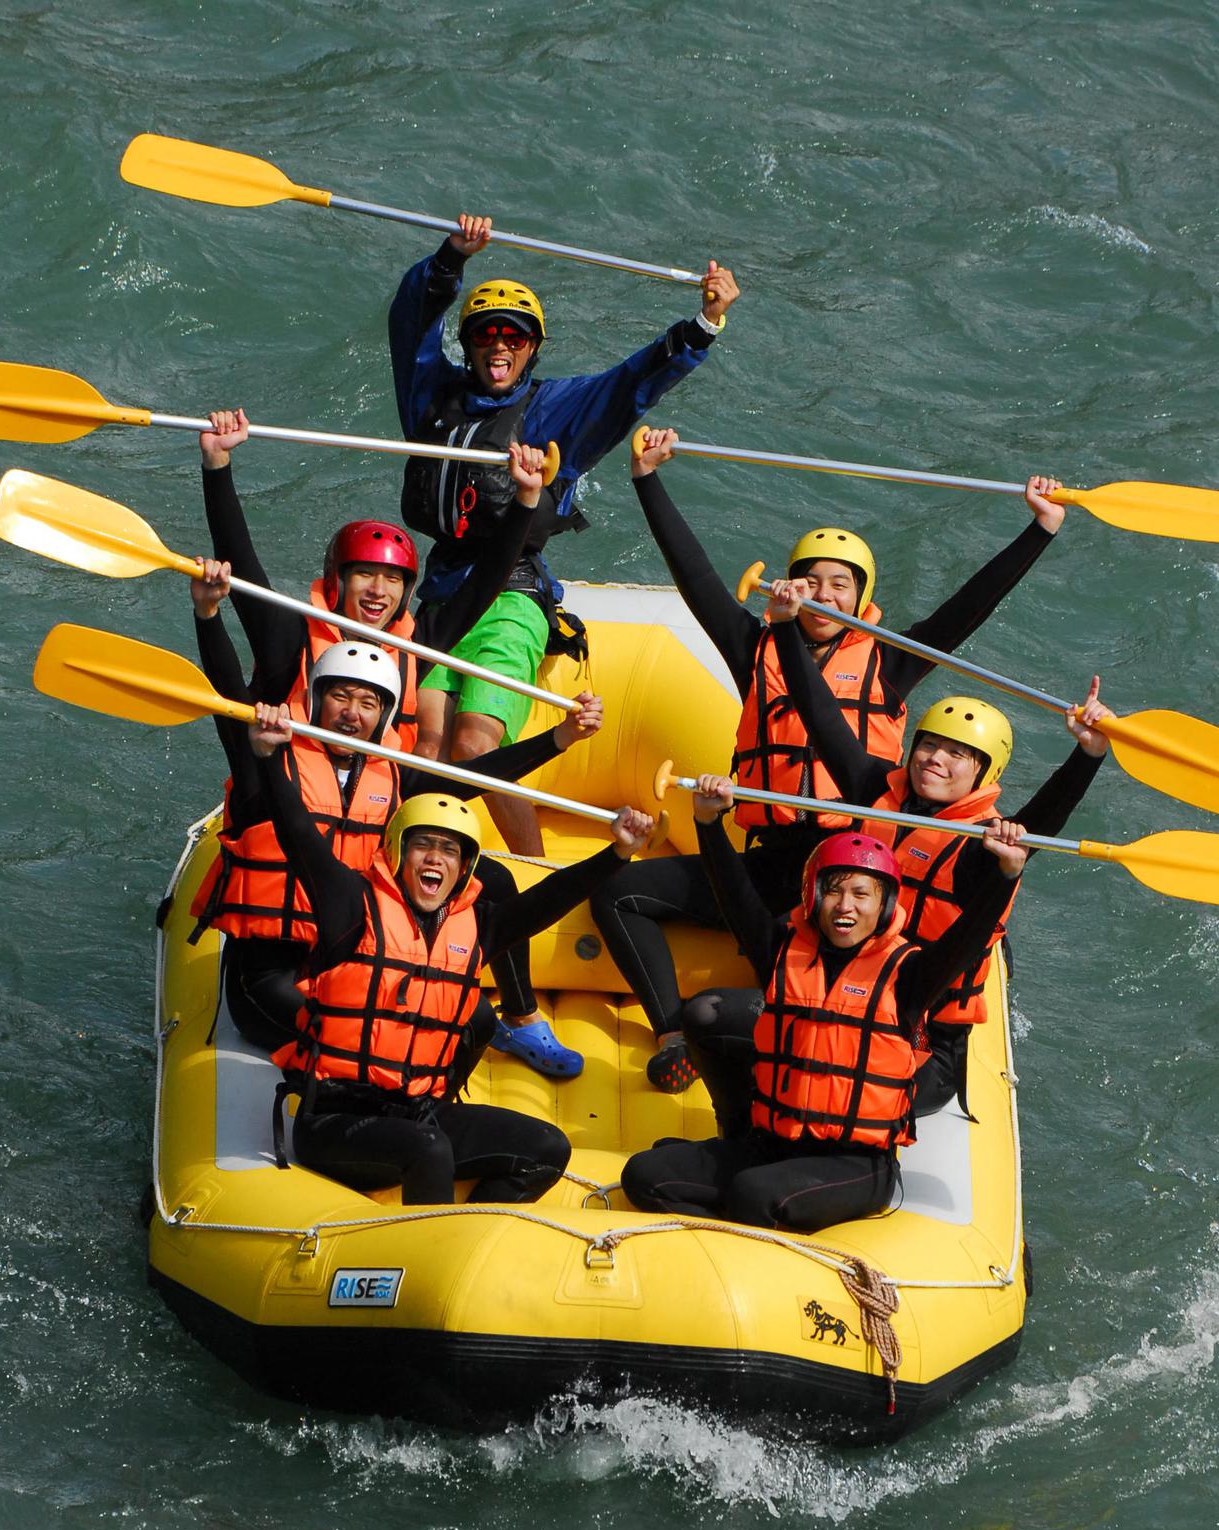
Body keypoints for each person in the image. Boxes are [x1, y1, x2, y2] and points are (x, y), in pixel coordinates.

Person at [591, 427, 1067, 1092]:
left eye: (840, 584)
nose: (823, 593)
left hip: (854, 866)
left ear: (861, 596)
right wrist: (647, 478)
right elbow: (695, 576)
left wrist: (1038, 532)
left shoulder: (891, 663)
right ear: (788, 586)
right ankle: (675, 1032)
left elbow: (969, 609)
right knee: (618, 891)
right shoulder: (753, 645)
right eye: (811, 580)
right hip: (773, 857)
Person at [197, 423, 588, 1076]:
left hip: (360, 886)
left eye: (391, 580)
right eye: (363, 577)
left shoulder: (417, 645)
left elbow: (485, 585)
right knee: (365, 1025)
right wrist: (217, 468)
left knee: (488, 879)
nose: (377, 592)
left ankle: (520, 1017)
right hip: (284, 852)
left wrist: (524, 502)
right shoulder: (287, 640)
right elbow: (242, 573)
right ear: (336, 581)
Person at [685, 569, 1115, 1127]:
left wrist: (1087, 756)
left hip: (921, 1029)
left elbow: (1045, 818)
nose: (934, 759)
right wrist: (788, 628)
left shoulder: (984, 846)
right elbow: (819, 712)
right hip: (843, 984)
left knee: (830, 1066)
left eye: (956, 755)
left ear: (985, 774)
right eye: (929, 745)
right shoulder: (872, 789)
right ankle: (741, 1119)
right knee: (715, 1016)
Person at [388, 213, 739, 860]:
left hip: (511, 594)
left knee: (472, 745)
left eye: (515, 337)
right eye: (487, 333)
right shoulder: (434, 399)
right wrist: (448, 260)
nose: (500, 345)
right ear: (469, 343)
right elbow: (409, 325)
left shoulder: (554, 411)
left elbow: (631, 383)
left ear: (532, 348)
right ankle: (412, 859)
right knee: (424, 742)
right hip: (441, 594)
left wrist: (704, 325)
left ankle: (530, 865)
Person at [251, 704, 659, 1206]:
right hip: (336, 1121)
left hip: (419, 1112)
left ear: (465, 867)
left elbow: (548, 899)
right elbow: (298, 836)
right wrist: (269, 758)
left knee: (545, 1147)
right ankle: (427, 1258)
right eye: (424, 845)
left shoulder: (478, 926)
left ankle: (474, 1235)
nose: (435, 859)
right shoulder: (349, 907)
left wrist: (616, 853)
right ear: (398, 851)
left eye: (450, 851)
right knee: (428, 1148)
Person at [621, 796, 1028, 1234]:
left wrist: (1007, 875)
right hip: (773, 1144)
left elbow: (968, 937)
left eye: (860, 894)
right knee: (644, 1175)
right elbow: (734, 895)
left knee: (753, 1194)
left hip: (855, 1163)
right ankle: (722, 1231)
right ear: (814, 895)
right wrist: (707, 822)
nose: (844, 905)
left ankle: (741, 1230)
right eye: (833, 889)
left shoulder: (910, 975)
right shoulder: (781, 950)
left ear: (885, 904)